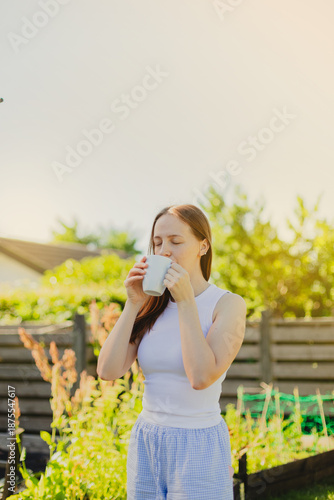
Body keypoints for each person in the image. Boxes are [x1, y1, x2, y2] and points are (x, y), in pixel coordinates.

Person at [97, 204, 247, 500]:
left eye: (176, 242)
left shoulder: (228, 304)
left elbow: (201, 376)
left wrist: (186, 301)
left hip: (197, 442)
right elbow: (107, 371)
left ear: (203, 246)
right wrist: (133, 303)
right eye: (157, 242)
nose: (164, 250)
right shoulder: (152, 306)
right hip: (148, 440)